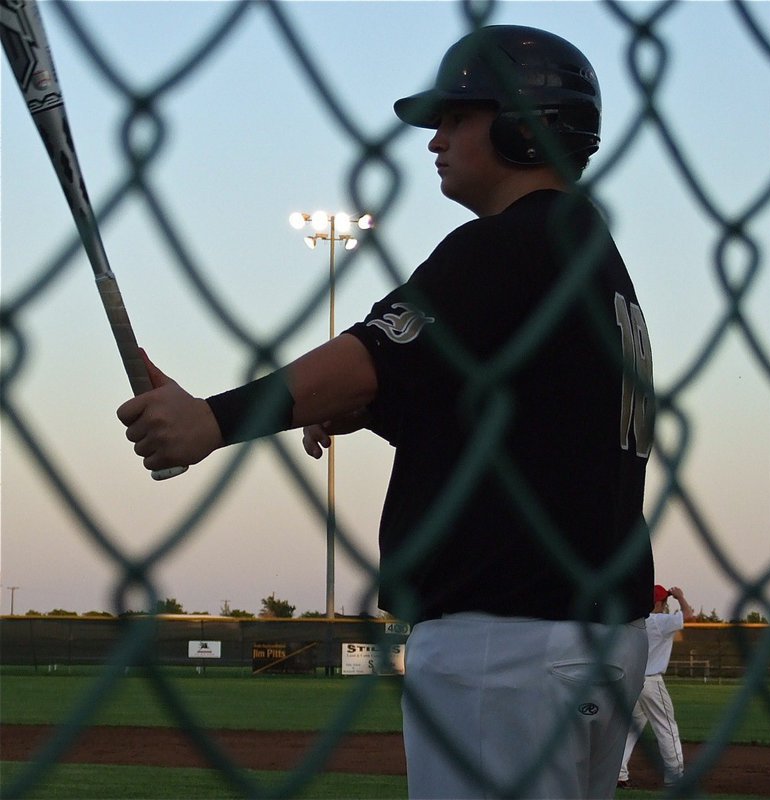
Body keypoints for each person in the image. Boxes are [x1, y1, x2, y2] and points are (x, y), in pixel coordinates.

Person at [117, 25, 655, 799]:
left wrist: (209, 420)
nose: (434, 139)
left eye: (457, 116)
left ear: (523, 126)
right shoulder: (590, 255)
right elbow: (524, 420)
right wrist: (373, 409)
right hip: (598, 637)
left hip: (503, 648)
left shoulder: (506, 243)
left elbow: (371, 354)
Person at [618, 585, 695, 789]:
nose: (666, 604)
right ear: (658, 603)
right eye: (664, 600)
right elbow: (689, 616)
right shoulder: (659, 621)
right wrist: (681, 597)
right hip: (652, 681)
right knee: (667, 728)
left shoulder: (634, 621)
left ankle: (618, 773)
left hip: (633, 681)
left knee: (631, 728)